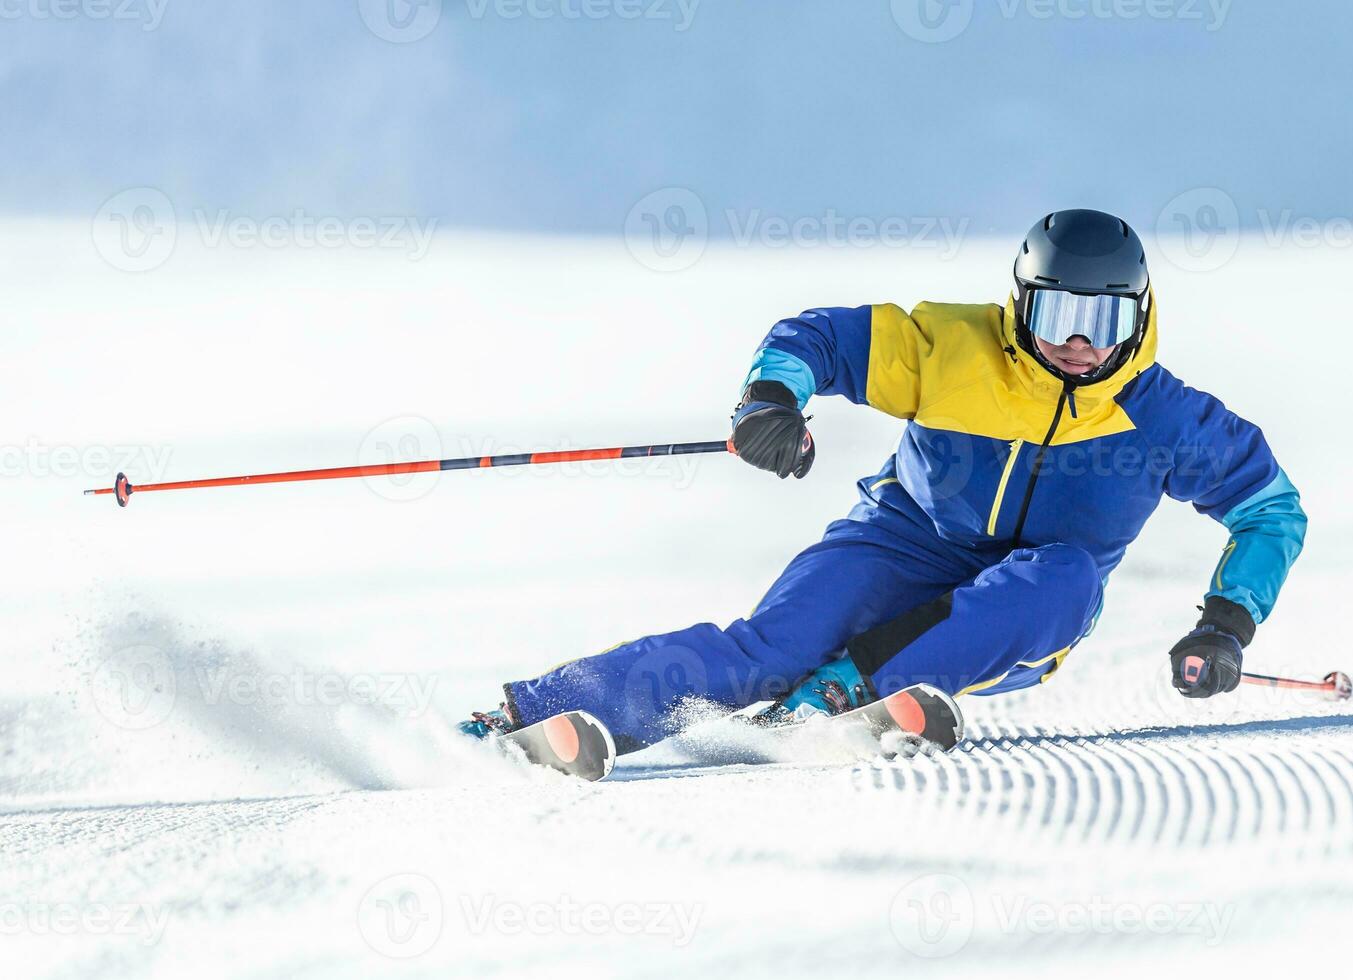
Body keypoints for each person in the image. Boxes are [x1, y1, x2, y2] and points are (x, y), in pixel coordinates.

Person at [461, 209, 1306, 753]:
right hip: (897, 545)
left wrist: (1226, 623)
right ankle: (529, 714)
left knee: (1065, 573)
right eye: (1058, 315)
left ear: (1140, 314)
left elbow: (1270, 511)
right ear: (1020, 303)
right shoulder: (951, 347)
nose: (1078, 344)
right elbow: (813, 338)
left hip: (1018, 609)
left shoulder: (1167, 417)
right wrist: (771, 401)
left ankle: (845, 696)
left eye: (1104, 319)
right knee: (771, 650)